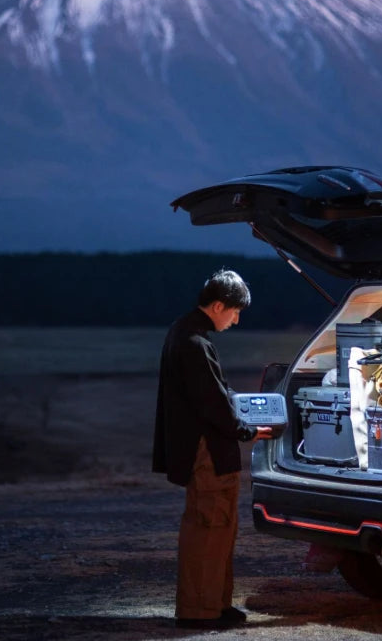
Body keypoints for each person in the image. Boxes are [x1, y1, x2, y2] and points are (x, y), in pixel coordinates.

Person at [153, 268, 259, 630]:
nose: (236, 319)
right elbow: (213, 404)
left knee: (217, 527)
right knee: (210, 527)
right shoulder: (195, 343)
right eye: (234, 311)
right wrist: (246, 430)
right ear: (217, 305)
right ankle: (200, 610)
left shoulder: (182, 332)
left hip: (202, 450)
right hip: (208, 453)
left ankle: (214, 604)